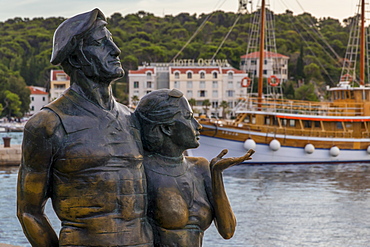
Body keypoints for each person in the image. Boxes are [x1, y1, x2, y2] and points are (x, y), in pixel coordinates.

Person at [17, 9, 153, 246]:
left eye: (112, 40)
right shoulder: (47, 126)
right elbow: (29, 211)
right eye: (102, 43)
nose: (116, 50)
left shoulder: (132, 119)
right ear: (77, 58)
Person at [134, 89, 254, 246]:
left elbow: (228, 231)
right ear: (167, 128)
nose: (198, 125)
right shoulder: (142, 170)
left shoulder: (201, 167)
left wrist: (216, 174)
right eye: (189, 118)